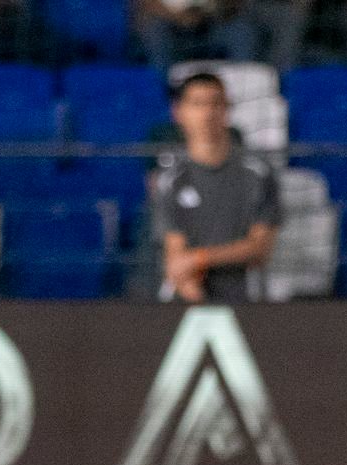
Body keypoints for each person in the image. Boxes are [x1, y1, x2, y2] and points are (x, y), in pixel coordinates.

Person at [153, 72, 280, 303]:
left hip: (248, 299)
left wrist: (200, 258)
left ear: (227, 110)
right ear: (178, 112)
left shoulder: (258, 172)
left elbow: (260, 247)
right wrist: (196, 293)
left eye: (215, 103)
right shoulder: (170, 180)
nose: (207, 113)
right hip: (189, 298)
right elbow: (175, 253)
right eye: (197, 104)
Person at [135, 0, 255, 71]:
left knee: (243, 29)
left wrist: (213, 11)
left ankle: (242, 82)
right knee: (156, 29)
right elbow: (145, 3)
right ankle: (168, 91)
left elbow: (235, 3)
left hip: (215, 21)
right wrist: (178, 17)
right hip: (171, 24)